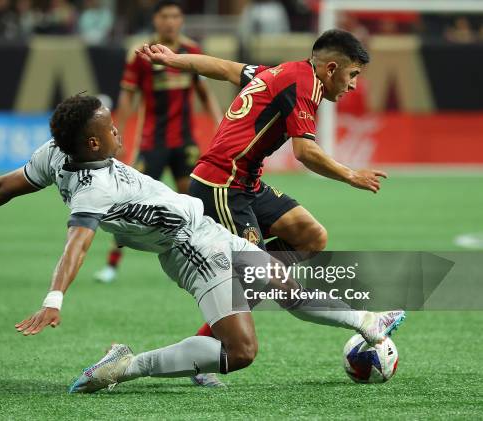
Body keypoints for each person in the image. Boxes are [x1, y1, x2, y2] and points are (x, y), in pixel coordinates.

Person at [0, 94, 405, 394]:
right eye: (109, 126)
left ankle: (368, 321)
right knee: (243, 349)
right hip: (189, 246)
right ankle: (126, 364)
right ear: (94, 143)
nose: (118, 129)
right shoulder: (95, 188)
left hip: (198, 229)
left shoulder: (55, 152)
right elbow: (77, 243)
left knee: (278, 281)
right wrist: (53, 299)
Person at [136, 28, 388, 338]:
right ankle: (204, 347)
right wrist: (352, 175)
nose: (353, 84)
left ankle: (244, 272)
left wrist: (175, 59)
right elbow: (305, 152)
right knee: (265, 278)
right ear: (332, 68)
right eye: (353, 74)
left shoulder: (283, 72)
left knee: (310, 237)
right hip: (222, 185)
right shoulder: (304, 85)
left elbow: (225, 68)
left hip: (246, 183)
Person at [94, 0, 223, 286]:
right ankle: (112, 266)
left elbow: (204, 92)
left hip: (185, 143)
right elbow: (128, 97)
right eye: (165, 16)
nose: (171, 21)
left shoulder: (191, 52)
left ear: (181, 20)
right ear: (156, 20)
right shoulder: (142, 55)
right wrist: (118, 133)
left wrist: (220, 125)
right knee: (130, 204)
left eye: (176, 16)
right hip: (152, 143)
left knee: (197, 204)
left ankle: (209, 259)